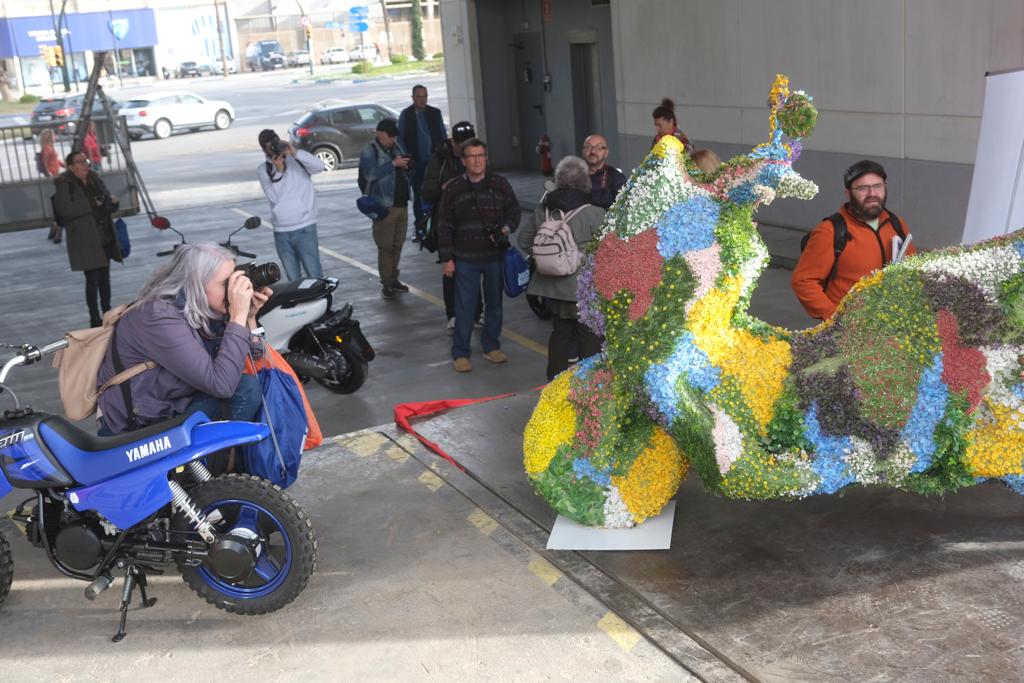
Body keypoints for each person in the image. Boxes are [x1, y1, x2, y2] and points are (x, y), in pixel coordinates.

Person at [95, 243, 269, 437]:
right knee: (245, 390)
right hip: (140, 425)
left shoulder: (199, 307)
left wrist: (249, 317)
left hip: (176, 403)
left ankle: (219, 461)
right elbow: (223, 385)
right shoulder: (157, 316)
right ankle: (209, 464)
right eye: (225, 284)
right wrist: (237, 316)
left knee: (258, 382)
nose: (232, 291)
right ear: (196, 284)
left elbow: (254, 358)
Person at [791, 159, 914, 320]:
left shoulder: (897, 224)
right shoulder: (831, 231)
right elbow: (803, 281)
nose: (872, 194)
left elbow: (911, 272)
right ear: (848, 193)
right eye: (863, 188)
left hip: (890, 328)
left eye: (878, 186)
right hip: (849, 333)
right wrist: (835, 319)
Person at [518, 156, 605, 380]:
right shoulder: (594, 213)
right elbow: (609, 250)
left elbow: (524, 240)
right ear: (585, 182)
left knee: (560, 333)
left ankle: (554, 386)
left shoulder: (543, 211)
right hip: (583, 287)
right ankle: (589, 387)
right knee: (589, 335)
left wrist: (549, 259)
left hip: (551, 287)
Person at [438, 138, 520, 372]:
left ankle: (491, 346)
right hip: (465, 257)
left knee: (494, 304)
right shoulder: (454, 189)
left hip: (494, 256)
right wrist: (447, 258)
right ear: (463, 161)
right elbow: (444, 224)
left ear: (486, 158)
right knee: (464, 306)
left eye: (481, 155)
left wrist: (506, 228)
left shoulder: (500, 184)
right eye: (471, 156)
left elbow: (514, 211)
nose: (477, 160)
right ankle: (461, 353)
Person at [421, 120, 482, 334]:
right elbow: (426, 190)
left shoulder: (477, 154)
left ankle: (477, 312)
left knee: (476, 268)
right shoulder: (440, 158)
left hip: (474, 222)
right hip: (448, 223)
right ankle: (453, 315)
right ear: (453, 143)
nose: (467, 152)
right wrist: (443, 187)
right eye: (462, 147)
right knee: (451, 269)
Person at [52, 150, 123, 328]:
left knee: (105, 278)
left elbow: (105, 201)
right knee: (92, 279)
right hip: (85, 239)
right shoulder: (65, 185)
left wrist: (112, 203)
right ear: (70, 167)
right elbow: (65, 211)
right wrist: (90, 203)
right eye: (80, 162)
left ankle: (107, 311)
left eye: (86, 161)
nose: (85, 165)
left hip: (104, 234)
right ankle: (94, 317)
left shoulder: (94, 179)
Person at [256, 129, 326, 281]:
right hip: (281, 232)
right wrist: (279, 172)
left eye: (275, 144)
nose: (273, 149)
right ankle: (303, 305)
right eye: (269, 147)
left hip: (305, 226)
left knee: (315, 275)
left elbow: (320, 166)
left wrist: (294, 152)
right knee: (294, 280)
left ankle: (324, 305)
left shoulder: (298, 161)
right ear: (263, 150)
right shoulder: (264, 170)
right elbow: (274, 197)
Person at [359, 118, 411, 299]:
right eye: (390, 136)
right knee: (385, 247)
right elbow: (370, 174)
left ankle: (394, 278)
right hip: (384, 206)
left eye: (394, 136)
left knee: (398, 244)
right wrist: (393, 164)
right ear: (380, 134)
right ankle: (386, 283)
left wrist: (405, 164)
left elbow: (405, 165)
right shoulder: (369, 151)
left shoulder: (395, 147)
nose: (393, 140)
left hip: (402, 203)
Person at [398, 84, 447, 241]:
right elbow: (400, 139)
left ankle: (438, 227)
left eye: (425, 96)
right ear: (413, 98)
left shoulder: (435, 113)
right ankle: (420, 228)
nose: (422, 99)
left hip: (435, 163)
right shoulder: (406, 115)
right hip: (417, 164)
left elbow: (442, 135)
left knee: (438, 194)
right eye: (419, 97)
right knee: (419, 196)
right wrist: (407, 159)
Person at [582, 134, 626, 210]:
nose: (593, 151)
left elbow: (624, 207)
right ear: (583, 151)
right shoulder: (573, 177)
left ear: (606, 153)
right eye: (588, 147)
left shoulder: (616, 177)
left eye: (598, 148)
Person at [40, 129, 65, 243]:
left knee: (58, 204)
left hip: (56, 176)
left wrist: (65, 166)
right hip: (53, 177)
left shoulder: (50, 147)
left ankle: (55, 228)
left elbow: (55, 160)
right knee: (58, 203)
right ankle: (57, 228)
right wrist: (49, 174)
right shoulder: (47, 148)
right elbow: (45, 162)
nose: (55, 137)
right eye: (54, 135)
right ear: (49, 137)